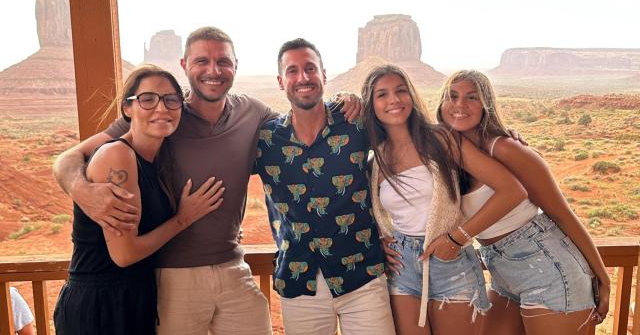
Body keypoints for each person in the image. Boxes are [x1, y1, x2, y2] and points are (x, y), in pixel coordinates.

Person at [52, 27, 361, 335]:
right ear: (185, 65)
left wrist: (342, 101)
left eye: (223, 62)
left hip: (232, 268)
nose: (214, 71)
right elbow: (69, 158)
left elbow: (301, 123)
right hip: (172, 277)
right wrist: (82, 190)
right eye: (202, 61)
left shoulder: (252, 113)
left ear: (235, 66)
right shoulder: (161, 113)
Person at [52, 64, 224, 334]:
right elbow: (124, 254)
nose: (161, 108)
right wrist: (184, 218)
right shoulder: (118, 156)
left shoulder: (157, 159)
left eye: (171, 99)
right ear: (127, 109)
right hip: (100, 307)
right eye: (147, 99)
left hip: (133, 298)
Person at [436, 70, 610, 335]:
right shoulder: (449, 150)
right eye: (453, 96)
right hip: (503, 274)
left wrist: (603, 277)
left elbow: (562, 214)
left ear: (486, 105)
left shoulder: (506, 149)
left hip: (550, 270)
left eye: (472, 97)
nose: (460, 105)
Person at [362, 64, 528, 335]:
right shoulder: (375, 160)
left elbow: (513, 190)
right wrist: (378, 241)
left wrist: (458, 238)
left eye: (400, 90)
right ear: (372, 105)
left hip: (451, 263)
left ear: (411, 96)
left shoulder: (441, 139)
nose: (393, 100)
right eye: (382, 94)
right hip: (401, 267)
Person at [253, 38, 395, 335]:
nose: (303, 77)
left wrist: (491, 137)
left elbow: (409, 141)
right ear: (281, 81)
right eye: (292, 71)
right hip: (299, 281)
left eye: (310, 68)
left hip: (362, 278)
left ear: (323, 75)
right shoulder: (265, 140)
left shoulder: (356, 124)